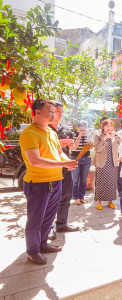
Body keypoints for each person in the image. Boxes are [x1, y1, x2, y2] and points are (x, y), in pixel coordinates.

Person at [19, 99, 77, 265]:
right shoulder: (30, 133)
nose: (54, 114)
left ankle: (43, 243)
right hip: (38, 183)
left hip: (56, 181)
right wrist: (64, 164)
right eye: (50, 111)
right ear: (37, 112)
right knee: (35, 219)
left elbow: (59, 152)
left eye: (55, 111)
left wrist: (68, 162)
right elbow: (36, 161)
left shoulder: (51, 132)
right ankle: (32, 251)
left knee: (48, 218)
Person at [48, 101, 80, 241]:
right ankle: (48, 228)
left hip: (66, 168)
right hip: (51, 168)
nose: (60, 114)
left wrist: (71, 144)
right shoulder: (45, 128)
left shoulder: (66, 128)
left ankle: (62, 223)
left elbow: (70, 149)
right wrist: (58, 143)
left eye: (61, 112)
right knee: (49, 200)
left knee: (66, 196)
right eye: (57, 112)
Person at [92, 119, 122, 210]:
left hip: (113, 162)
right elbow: (97, 149)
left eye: (111, 126)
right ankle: (99, 201)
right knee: (100, 181)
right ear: (103, 126)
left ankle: (110, 201)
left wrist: (117, 135)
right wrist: (104, 139)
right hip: (102, 162)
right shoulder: (98, 135)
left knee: (112, 182)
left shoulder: (114, 135)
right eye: (107, 126)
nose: (109, 128)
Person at [70, 120, 92, 206]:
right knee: (75, 179)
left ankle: (82, 197)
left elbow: (89, 146)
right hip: (76, 157)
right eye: (82, 127)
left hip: (86, 158)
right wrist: (79, 135)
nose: (83, 129)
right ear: (78, 127)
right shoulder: (73, 134)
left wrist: (88, 137)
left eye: (85, 127)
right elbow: (73, 148)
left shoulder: (87, 134)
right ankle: (76, 197)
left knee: (84, 180)